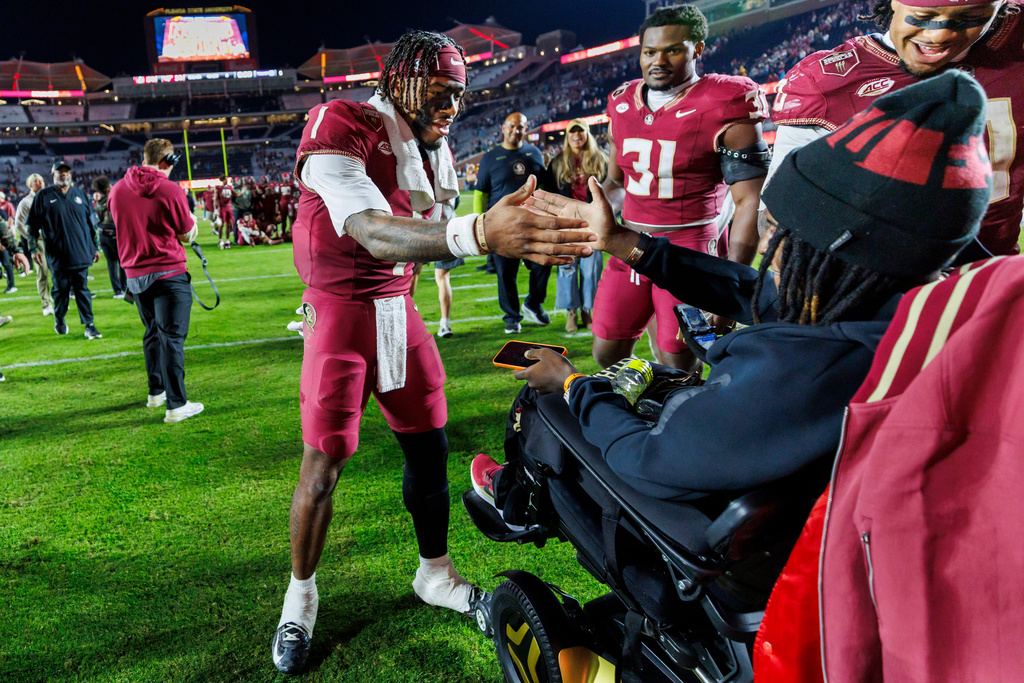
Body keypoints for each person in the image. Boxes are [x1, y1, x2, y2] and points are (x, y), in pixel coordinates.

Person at [470, 71, 990, 509]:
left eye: (783, 231)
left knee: (553, 408)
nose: (770, 239)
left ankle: (516, 500)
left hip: (716, 537)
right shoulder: (914, 308)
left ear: (835, 246)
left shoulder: (803, 371)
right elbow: (754, 292)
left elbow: (648, 460)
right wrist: (622, 241)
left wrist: (573, 383)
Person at [272, 29, 594, 676]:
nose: (451, 103)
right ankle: (299, 595)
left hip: (399, 308)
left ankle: (435, 572)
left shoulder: (432, 146)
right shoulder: (343, 120)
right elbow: (368, 230)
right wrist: (478, 232)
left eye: (458, 92)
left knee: (429, 441)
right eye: (439, 90)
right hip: (340, 309)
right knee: (325, 460)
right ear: (398, 82)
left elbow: (415, 234)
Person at [593, 4, 770, 372]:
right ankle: (632, 415)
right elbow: (616, 182)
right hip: (629, 243)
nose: (659, 60)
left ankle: (672, 421)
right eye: (649, 51)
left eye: (673, 49)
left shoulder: (725, 101)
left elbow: (748, 199)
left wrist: (729, 287)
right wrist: (584, 214)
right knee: (606, 351)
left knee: (677, 359)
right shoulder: (621, 102)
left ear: (698, 50)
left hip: (688, 246)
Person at [769, 0, 1023, 256]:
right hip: (881, 287)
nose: (939, 35)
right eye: (923, 15)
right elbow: (778, 223)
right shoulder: (827, 84)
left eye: (971, 16)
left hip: (994, 279)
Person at [108, 138, 204, 424]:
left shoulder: (117, 190)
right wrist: (193, 222)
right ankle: (177, 404)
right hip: (168, 273)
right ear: (169, 161)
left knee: (152, 333)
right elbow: (186, 234)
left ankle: (156, 392)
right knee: (172, 337)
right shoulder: (170, 190)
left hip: (135, 276)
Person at [474, 112, 551, 334]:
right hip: (501, 227)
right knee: (506, 274)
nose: (516, 130)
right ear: (503, 128)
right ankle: (511, 317)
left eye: (521, 127)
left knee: (543, 264)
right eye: (512, 126)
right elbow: (480, 195)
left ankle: (533, 303)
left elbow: (544, 187)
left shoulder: (534, 153)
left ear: (526, 130)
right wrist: (480, 227)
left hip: (533, 224)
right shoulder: (490, 157)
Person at [27, 160, 103, 340]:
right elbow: (32, 227)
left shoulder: (80, 194)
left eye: (67, 172)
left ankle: (89, 325)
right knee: (61, 291)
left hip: (81, 253)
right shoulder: (43, 196)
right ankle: (59, 318)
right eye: (60, 172)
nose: (64, 175)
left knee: (82, 290)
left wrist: (97, 246)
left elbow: (91, 224)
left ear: (71, 174)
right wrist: (33, 249)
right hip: (58, 255)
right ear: (53, 175)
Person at [547, 118, 609, 332]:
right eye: (572, 132)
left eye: (580, 131)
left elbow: (610, 190)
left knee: (591, 270)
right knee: (567, 269)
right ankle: (571, 312)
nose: (577, 135)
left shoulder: (601, 159)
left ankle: (587, 310)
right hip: (566, 223)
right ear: (567, 136)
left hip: (592, 224)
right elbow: (550, 195)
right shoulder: (557, 162)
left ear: (586, 134)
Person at [13, 174, 53, 316]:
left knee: (57, 271)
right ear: (30, 184)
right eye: (36, 181)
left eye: (42, 180)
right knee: (42, 272)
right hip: (39, 241)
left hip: (53, 240)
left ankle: (56, 298)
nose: (40, 183)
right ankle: (46, 304)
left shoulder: (49, 197)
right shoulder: (25, 202)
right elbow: (18, 224)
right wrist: (32, 238)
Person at [92, 176, 127, 299]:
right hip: (114, 233)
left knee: (111, 263)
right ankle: (123, 288)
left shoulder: (98, 204)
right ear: (107, 188)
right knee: (122, 262)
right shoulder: (114, 199)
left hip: (102, 234)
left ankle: (117, 291)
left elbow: (96, 220)